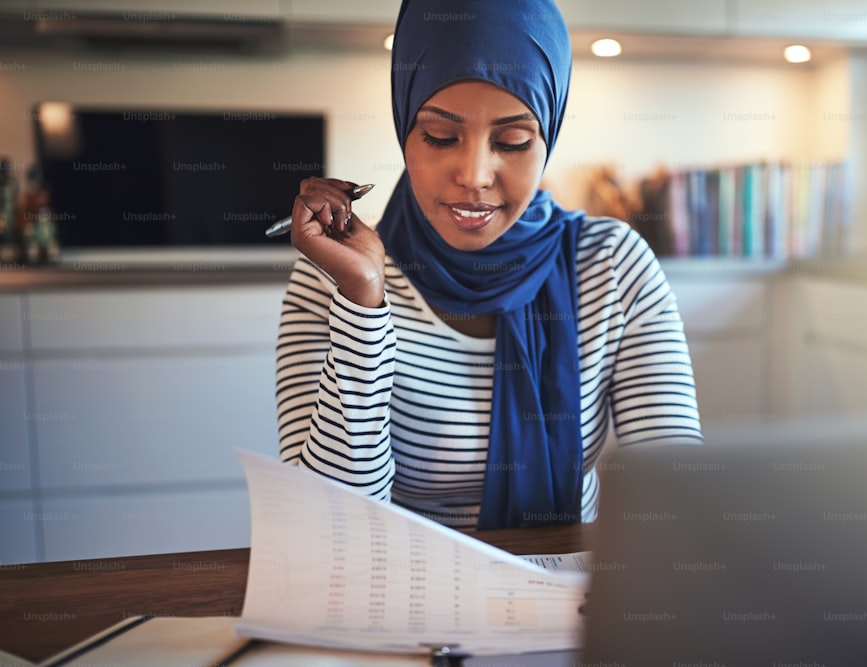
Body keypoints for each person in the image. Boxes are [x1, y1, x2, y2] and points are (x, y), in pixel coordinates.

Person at [275, 0, 702, 530]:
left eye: (513, 141)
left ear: (548, 138)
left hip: (573, 595)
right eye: (440, 136)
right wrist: (363, 301)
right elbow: (331, 523)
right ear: (403, 128)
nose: (475, 174)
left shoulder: (611, 264)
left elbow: (675, 491)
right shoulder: (335, 276)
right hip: (407, 591)